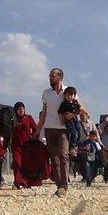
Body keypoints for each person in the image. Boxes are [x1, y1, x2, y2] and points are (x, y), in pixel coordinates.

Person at [34, 68, 88, 197]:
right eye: (50, 76)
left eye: (53, 76)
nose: (50, 78)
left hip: (64, 129)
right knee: (54, 158)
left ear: (59, 78)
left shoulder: (68, 91)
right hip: (49, 128)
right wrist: (38, 129)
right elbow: (44, 112)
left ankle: (64, 185)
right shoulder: (46, 93)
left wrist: (76, 115)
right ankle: (59, 186)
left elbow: (79, 107)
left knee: (64, 155)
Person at [11, 102, 38, 189]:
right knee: (17, 163)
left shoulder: (28, 118)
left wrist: (34, 140)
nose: (21, 110)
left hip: (27, 146)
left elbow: (35, 129)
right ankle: (18, 182)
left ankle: (27, 182)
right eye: (19, 109)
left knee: (27, 165)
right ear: (16, 110)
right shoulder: (13, 119)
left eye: (23, 108)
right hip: (16, 146)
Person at [58, 86, 83, 157]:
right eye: (68, 95)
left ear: (74, 96)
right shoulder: (64, 104)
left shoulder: (75, 103)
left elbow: (80, 108)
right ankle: (71, 148)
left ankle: (75, 147)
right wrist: (61, 120)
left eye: (71, 95)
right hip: (69, 121)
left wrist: (86, 113)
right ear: (65, 96)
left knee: (79, 131)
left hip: (75, 119)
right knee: (74, 133)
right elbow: (60, 112)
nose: (70, 97)